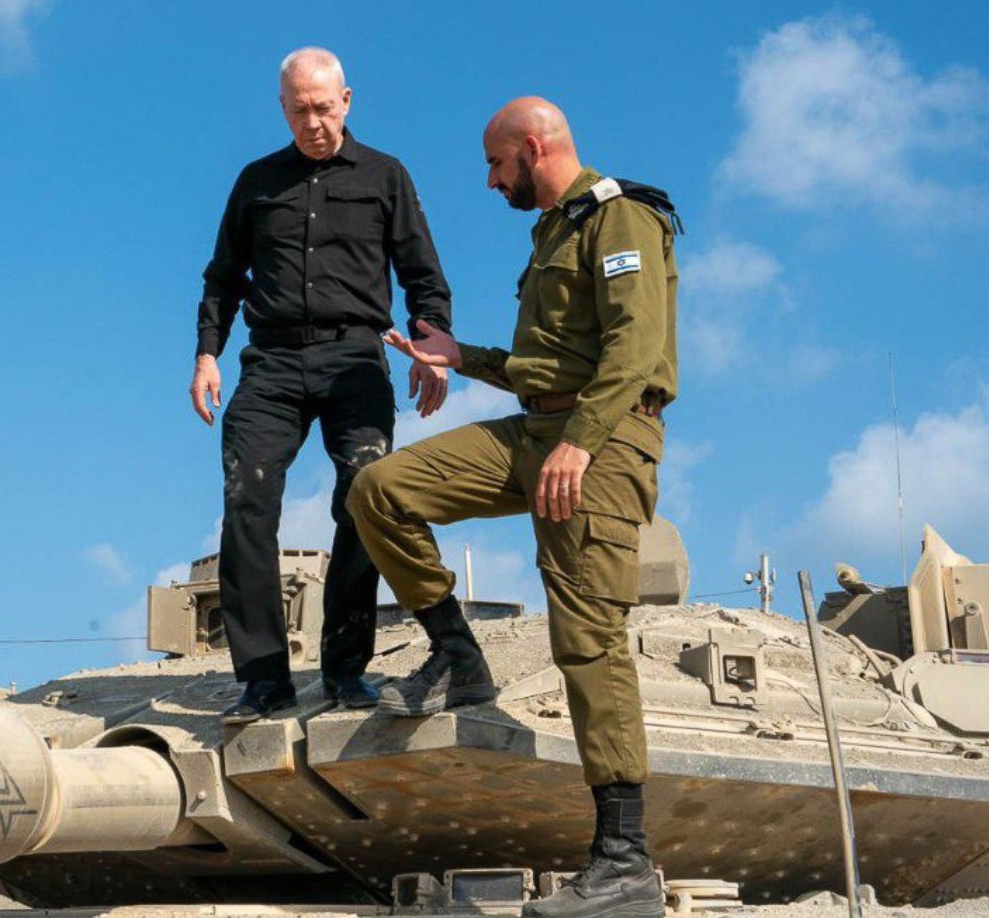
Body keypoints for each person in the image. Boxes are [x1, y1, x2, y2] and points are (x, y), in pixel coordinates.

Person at [346, 97, 679, 918]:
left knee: (587, 640)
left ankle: (626, 861)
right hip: (537, 427)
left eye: (497, 165)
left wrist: (582, 442)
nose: (492, 182)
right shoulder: (553, 234)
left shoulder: (622, 219)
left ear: (533, 147)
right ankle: (459, 658)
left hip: (600, 441)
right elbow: (548, 361)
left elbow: (632, 349)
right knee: (380, 490)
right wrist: (465, 359)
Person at [192, 47, 454, 724]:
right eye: (298, 109)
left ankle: (345, 670)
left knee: (365, 495)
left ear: (347, 100)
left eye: (323, 106)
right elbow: (223, 277)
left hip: (356, 358)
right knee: (246, 497)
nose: (312, 121)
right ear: (283, 108)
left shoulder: (385, 175)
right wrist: (207, 355)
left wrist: (432, 350)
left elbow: (422, 273)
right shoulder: (256, 181)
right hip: (271, 363)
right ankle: (262, 682)